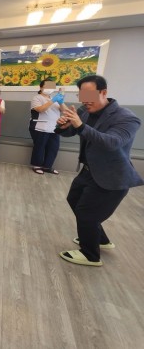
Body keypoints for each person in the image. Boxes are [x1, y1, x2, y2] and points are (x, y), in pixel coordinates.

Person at [55, 75, 144, 267]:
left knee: (87, 213)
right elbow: (72, 131)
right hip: (88, 171)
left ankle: (90, 255)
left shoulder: (127, 118)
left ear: (104, 92)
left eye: (89, 95)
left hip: (112, 176)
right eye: (82, 96)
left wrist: (80, 125)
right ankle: (100, 239)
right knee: (74, 200)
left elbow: (112, 142)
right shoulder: (84, 111)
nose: (85, 101)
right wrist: (63, 125)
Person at [30, 80, 65, 175]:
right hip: (40, 126)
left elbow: (65, 111)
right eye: (47, 86)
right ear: (41, 87)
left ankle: (47, 166)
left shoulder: (55, 99)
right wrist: (53, 100)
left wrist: (61, 101)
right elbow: (41, 109)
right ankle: (37, 165)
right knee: (40, 147)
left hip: (54, 127)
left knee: (53, 148)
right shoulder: (37, 98)